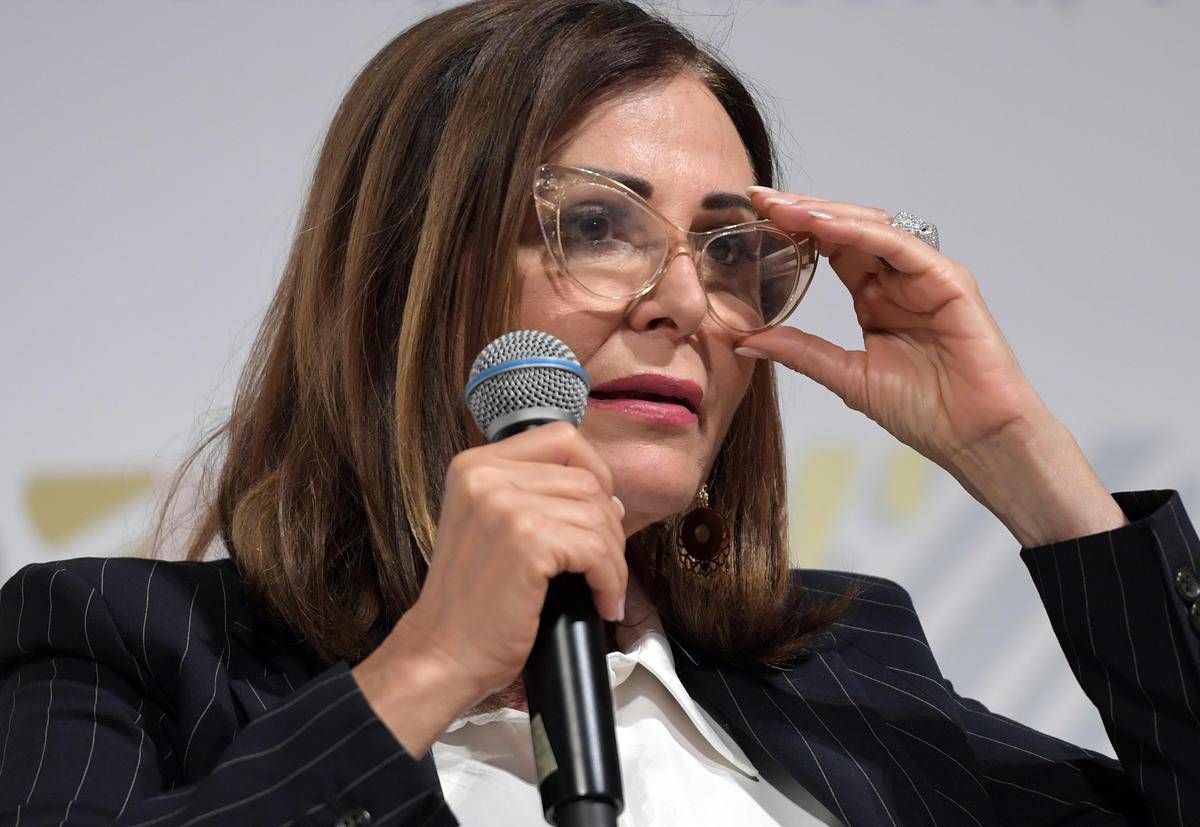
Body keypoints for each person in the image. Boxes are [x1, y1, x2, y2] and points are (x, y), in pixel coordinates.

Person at [2, 0, 1197, 824]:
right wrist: (430, 666)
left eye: (729, 248)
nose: (686, 301)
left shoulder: (846, 672)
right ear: (408, 279)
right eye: (594, 225)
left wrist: (1026, 463)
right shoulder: (122, 643)